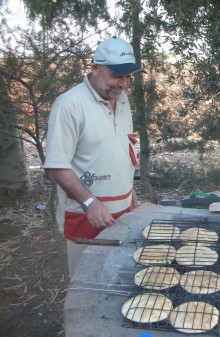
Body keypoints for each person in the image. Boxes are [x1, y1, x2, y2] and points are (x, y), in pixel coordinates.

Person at [44, 37, 142, 277]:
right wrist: (90, 202)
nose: (123, 84)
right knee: (88, 281)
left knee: (120, 275)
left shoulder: (121, 98)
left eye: (128, 76)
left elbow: (120, 145)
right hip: (87, 213)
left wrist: (130, 191)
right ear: (95, 67)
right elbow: (57, 166)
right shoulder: (69, 105)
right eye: (116, 75)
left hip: (124, 209)